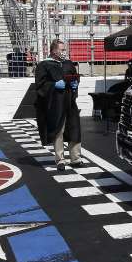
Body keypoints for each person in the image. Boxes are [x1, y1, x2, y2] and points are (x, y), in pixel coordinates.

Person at [34, 39, 82, 167]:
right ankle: (60, 159)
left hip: (70, 101)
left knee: (74, 128)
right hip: (55, 103)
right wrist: (53, 85)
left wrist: (75, 83)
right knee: (58, 130)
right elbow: (40, 85)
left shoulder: (68, 63)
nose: (64, 52)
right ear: (54, 50)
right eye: (62, 50)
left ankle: (76, 158)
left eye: (64, 49)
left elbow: (75, 76)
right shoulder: (44, 65)